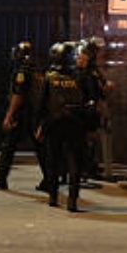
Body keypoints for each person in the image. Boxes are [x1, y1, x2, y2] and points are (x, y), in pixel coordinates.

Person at [0, 41, 51, 191]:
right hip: (35, 115)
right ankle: (49, 180)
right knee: (41, 148)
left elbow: (18, 95)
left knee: (8, 147)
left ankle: (1, 180)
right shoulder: (38, 70)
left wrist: (9, 116)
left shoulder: (21, 71)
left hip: (22, 115)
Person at [37, 42, 89, 212]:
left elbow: (41, 105)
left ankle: (53, 197)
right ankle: (72, 201)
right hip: (75, 124)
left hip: (54, 124)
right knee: (74, 162)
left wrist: (40, 126)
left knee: (53, 160)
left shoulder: (49, 77)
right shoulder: (78, 76)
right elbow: (88, 102)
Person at [75, 38, 113, 181]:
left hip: (92, 108)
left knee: (91, 139)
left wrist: (105, 87)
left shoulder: (93, 70)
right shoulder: (80, 73)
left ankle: (90, 166)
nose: (82, 59)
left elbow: (100, 85)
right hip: (85, 109)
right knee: (86, 140)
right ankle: (85, 168)